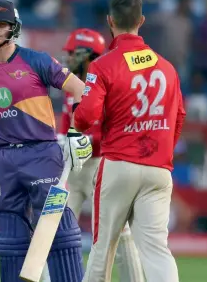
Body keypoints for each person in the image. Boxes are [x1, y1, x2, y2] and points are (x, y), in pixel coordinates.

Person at [0, 0, 92, 282]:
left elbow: (82, 91)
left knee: (59, 232)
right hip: (4, 160)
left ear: (14, 28)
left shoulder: (38, 60)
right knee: (10, 240)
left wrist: (76, 131)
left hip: (42, 154)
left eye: (1, 25)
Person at [74, 0, 185, 282]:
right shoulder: (168, 68)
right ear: (142, 21)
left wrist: (75, 116)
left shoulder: (103, 66)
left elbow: (85, 117)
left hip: (119, 165)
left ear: (110, 21)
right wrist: (161, 153)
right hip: (159, 169)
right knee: (157, 251)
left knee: (103, 248)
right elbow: (180, 116)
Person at [56, 28, 144, 282]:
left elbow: (117, 133)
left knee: (115, 232)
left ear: (87, 55)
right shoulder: (70, 86)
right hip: (73, 170)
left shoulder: (111, 85)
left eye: (73, 53)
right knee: (56, 229)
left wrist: (86, 140)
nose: (68, 59)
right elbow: (65, 126)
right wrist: (62, 140)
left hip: (100, 168)